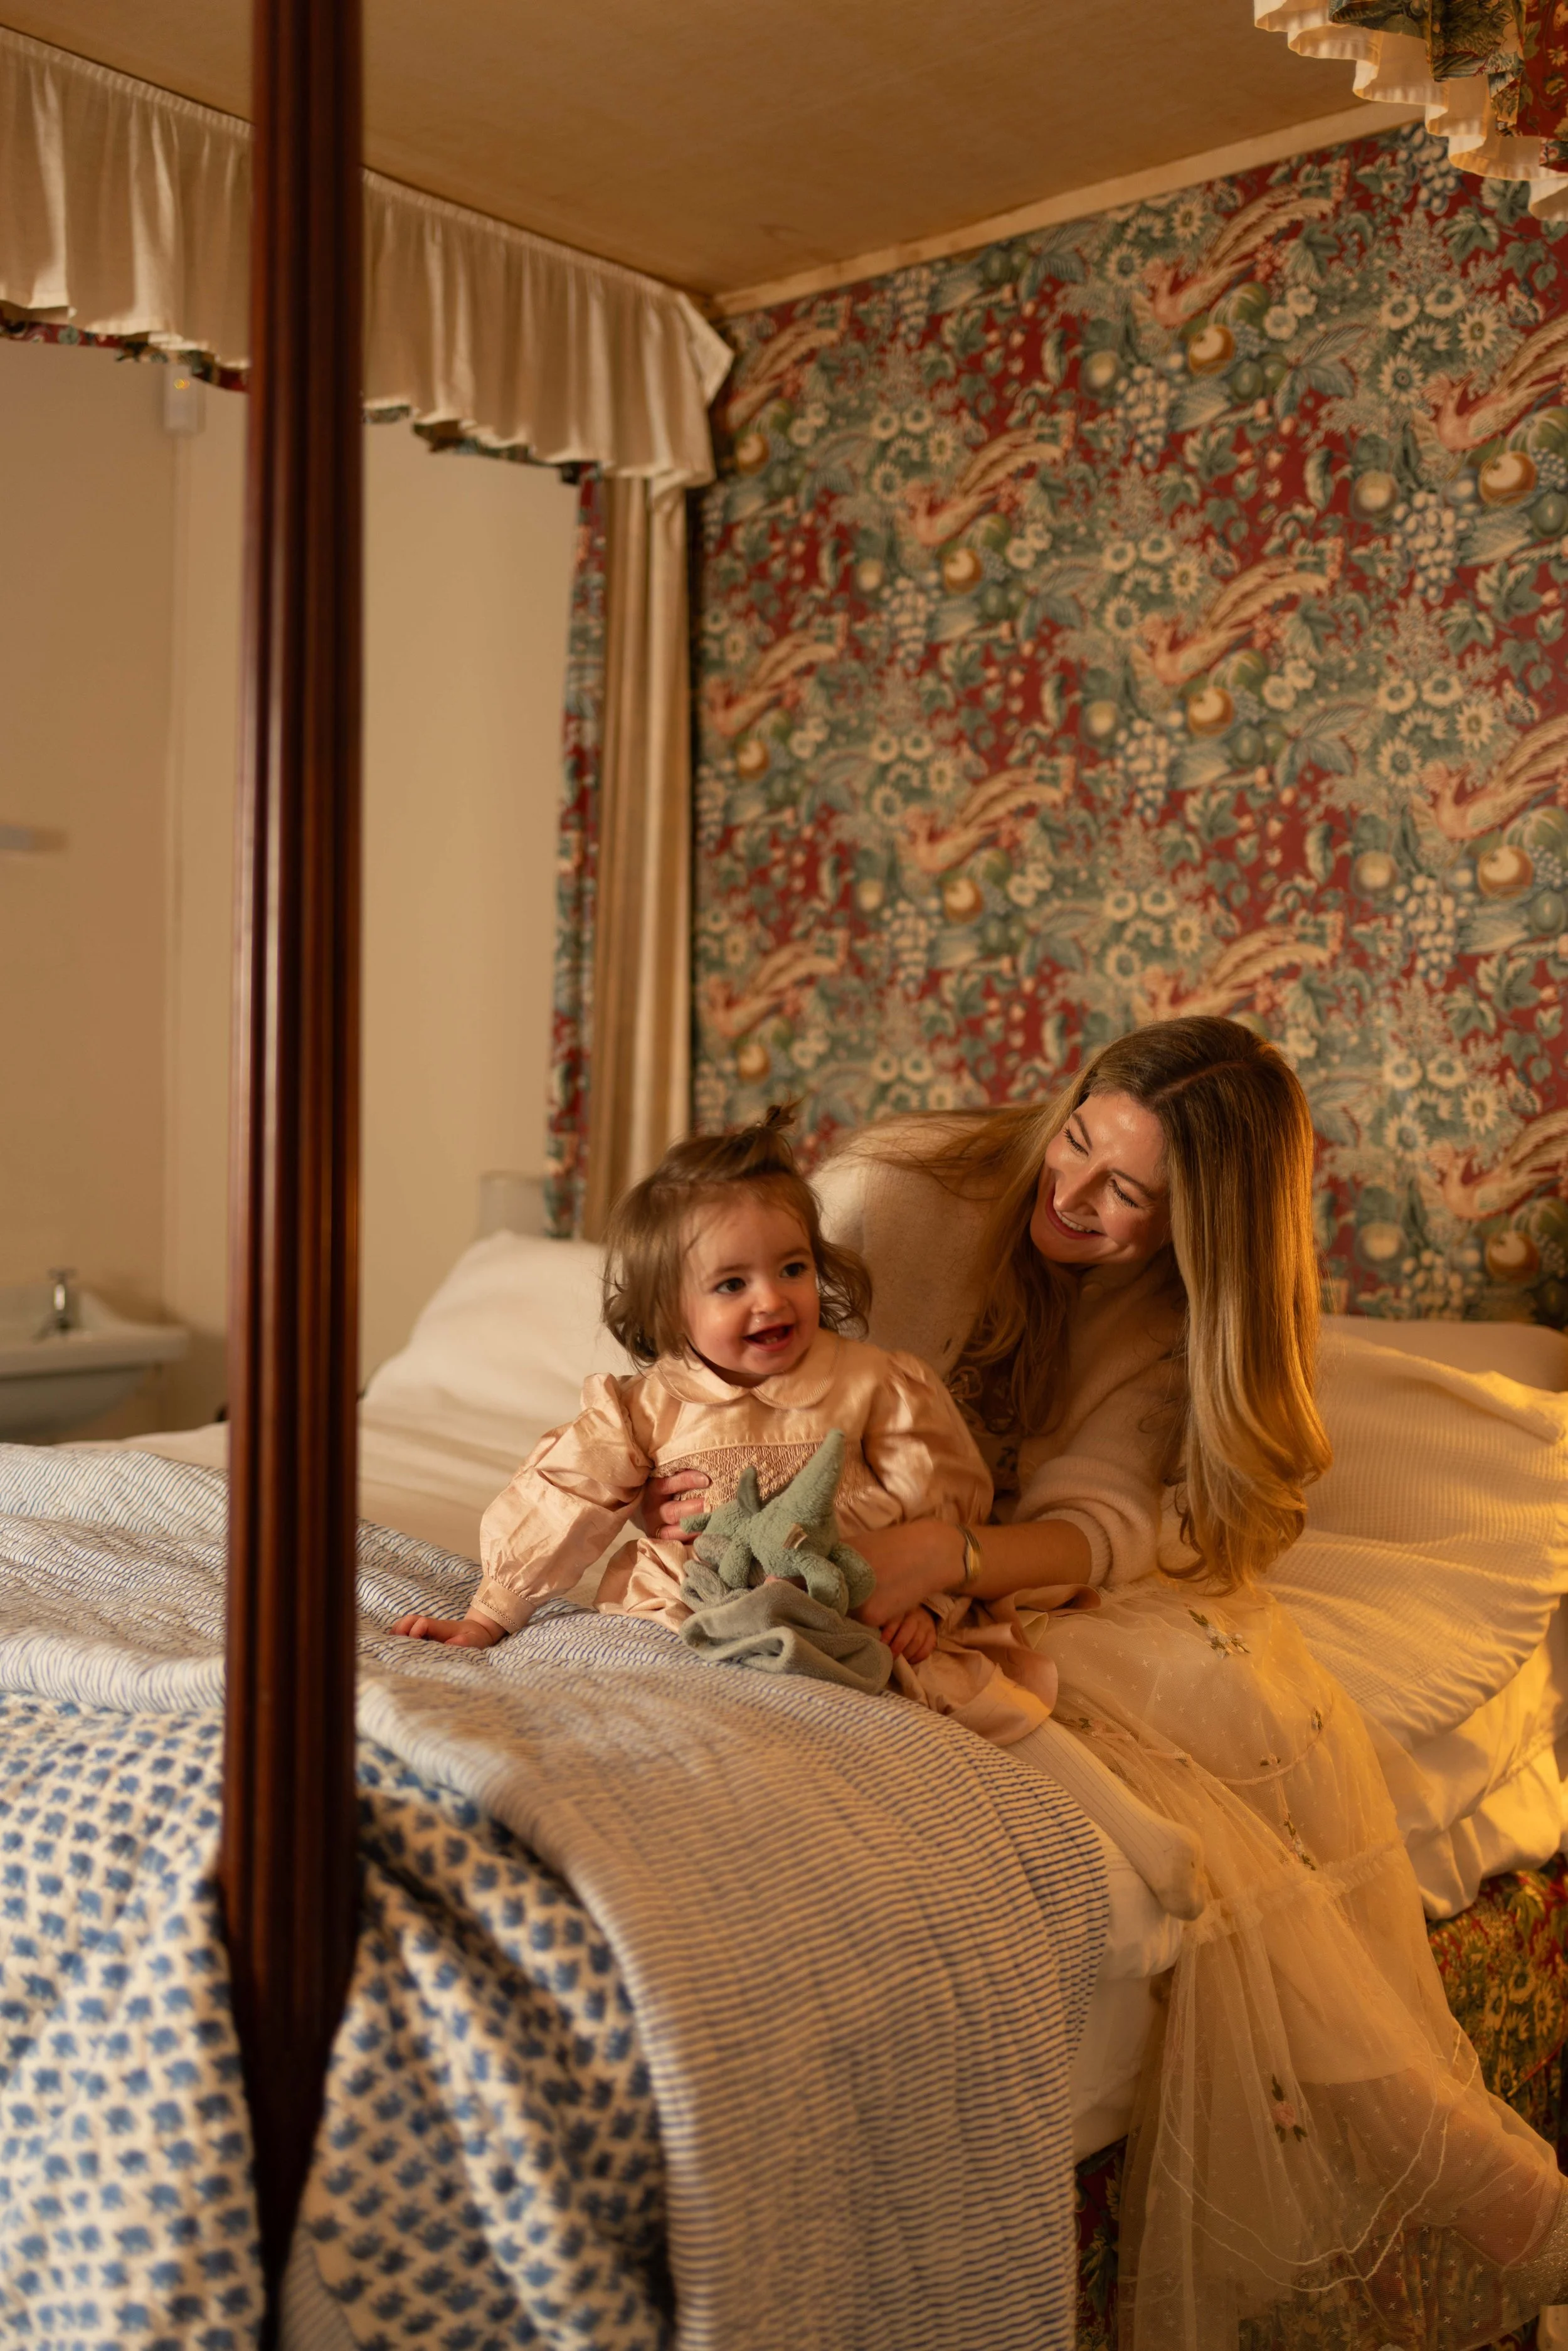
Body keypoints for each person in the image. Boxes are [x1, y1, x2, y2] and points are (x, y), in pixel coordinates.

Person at [643, 1017, 1568, 2350]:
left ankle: (1470, 2173)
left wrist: (943, 1557)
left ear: (1200, 1229)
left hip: (973, 1560)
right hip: (787, 1520)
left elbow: (1096, 1520)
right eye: (1074, 1139)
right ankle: (1496, 2191)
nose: (1066, 1196)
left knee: (1193, 1763)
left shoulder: (1161, 1311)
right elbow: (732, 1356)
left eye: (1123, 1193)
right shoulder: (899, 1192)